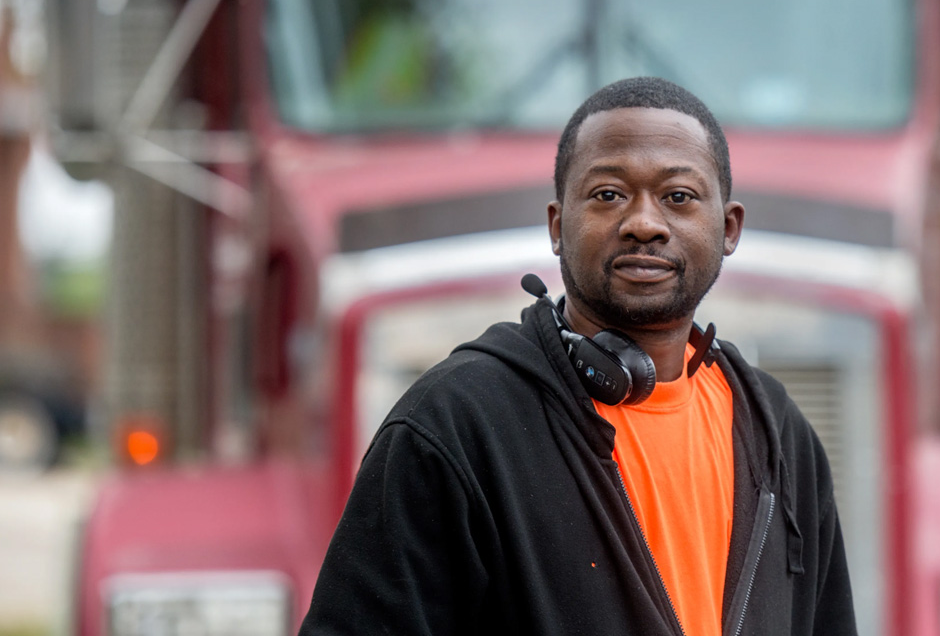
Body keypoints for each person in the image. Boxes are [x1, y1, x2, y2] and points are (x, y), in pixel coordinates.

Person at [300, 77, 857, 635]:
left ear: (729, 228)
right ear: (557, 225)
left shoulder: (780, 433)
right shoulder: (454, 426)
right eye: (609, 194)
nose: (644, 223)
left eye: (678, 197)